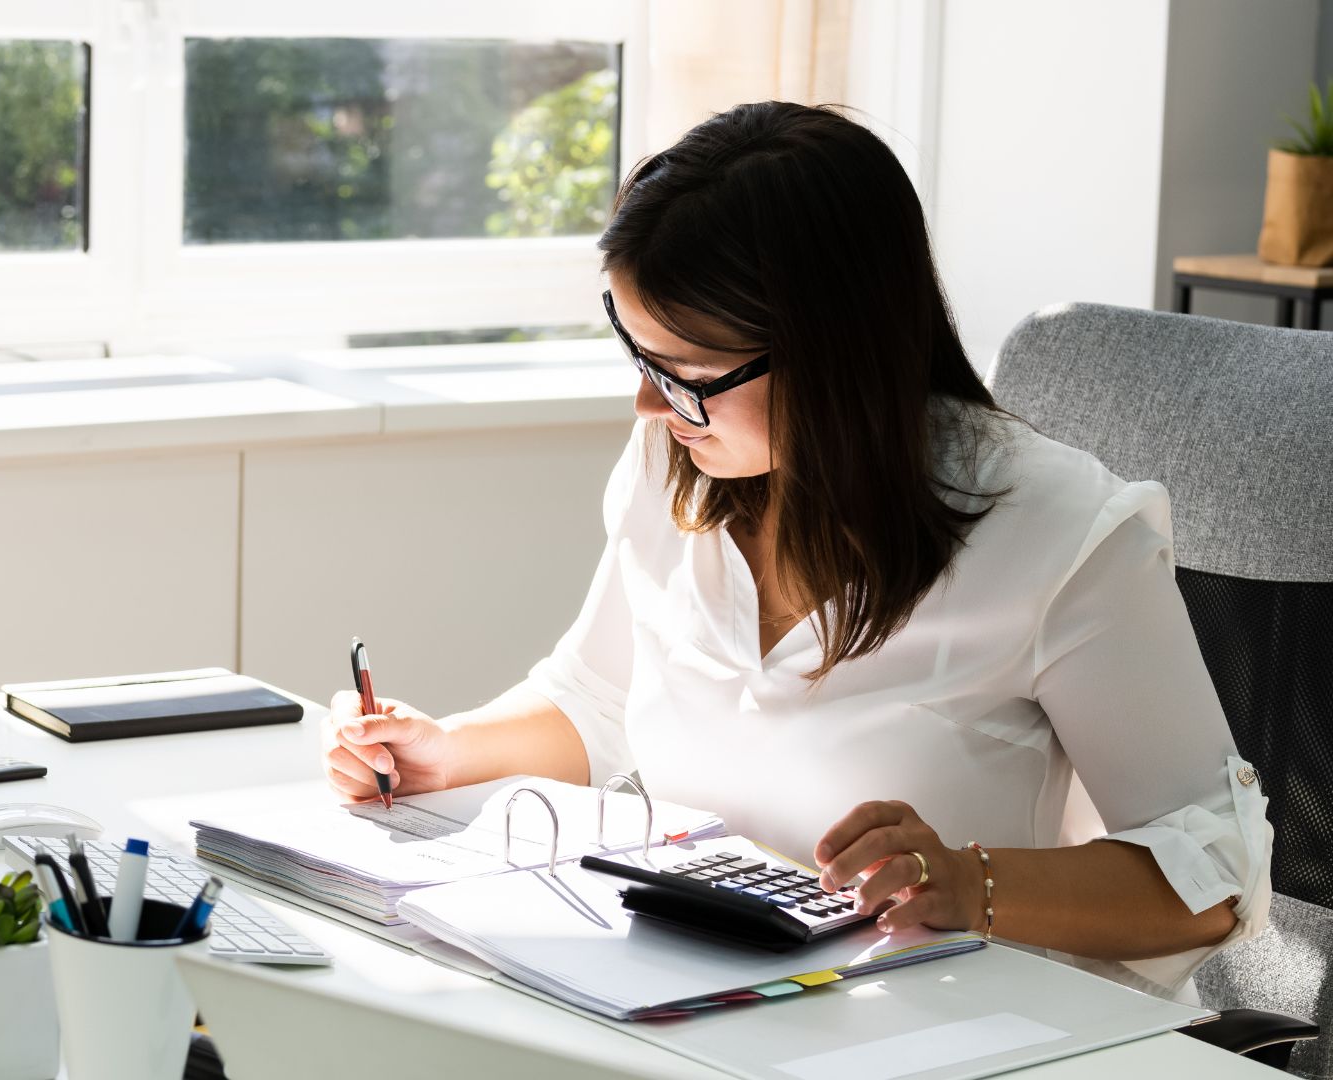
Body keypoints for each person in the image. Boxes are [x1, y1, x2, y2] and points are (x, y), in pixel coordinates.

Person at [319, 101, 1270, 1000]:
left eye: (688, 375)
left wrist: (967, 883)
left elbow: (1217, 874)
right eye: (642, 360)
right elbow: (599, 697)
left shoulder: (1064, 535)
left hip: (959, 1017)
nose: (652, 409)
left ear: (833, 354)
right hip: (717, 984)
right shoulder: (677, 465)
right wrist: (447, 753)